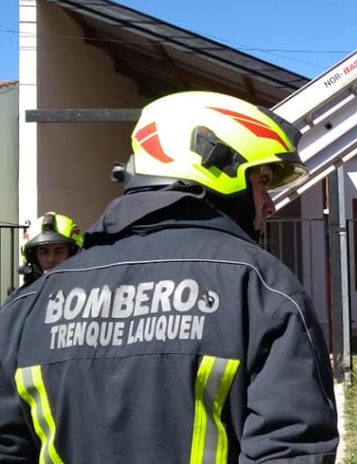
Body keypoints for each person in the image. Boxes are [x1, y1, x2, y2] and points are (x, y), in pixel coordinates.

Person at [0, 91, 338, 463]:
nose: (270, 204)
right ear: (219, 169)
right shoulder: (261, 288)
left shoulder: (26, 308)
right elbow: (291, 449)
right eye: (261, 182)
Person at [17, 211, 84, 287]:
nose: (51, 259)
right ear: (33, 256)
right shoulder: (23, 297)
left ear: (73, 253)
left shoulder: (91, 292)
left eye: (59, 251)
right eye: (43, 252)